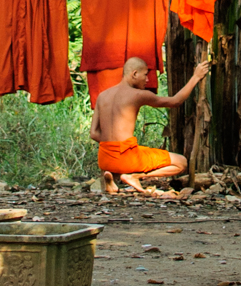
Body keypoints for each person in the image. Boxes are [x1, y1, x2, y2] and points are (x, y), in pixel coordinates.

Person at [90, 55, 209, 195]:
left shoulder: (102, 96)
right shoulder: (138, 95)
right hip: (127, 158)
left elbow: (94, 133)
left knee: (129, 154)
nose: (147, 80)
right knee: (181, 162)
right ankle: (134, 176)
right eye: (145, 75)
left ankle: (112, 179)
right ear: (134, 74)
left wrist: (115, 147)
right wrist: (196, 77)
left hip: (105, 160)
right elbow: (175, 101)